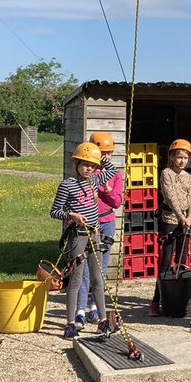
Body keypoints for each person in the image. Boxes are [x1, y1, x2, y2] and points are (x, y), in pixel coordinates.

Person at [49, 142, 116, 340]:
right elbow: (54, 211)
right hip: (77, 235)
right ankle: (70, 323)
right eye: (85, 164)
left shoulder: (94, 180)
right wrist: (72, 215)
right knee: (76, 279)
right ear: (76, 163)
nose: (89, 169)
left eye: (93, 166)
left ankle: (103, 321)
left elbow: (112, 170)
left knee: (97, 279)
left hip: (94, 234)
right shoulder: (67, 185)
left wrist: (98, 155)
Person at [76, 131, 123, 326]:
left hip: (107, 221)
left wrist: (107, 189)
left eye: (109, 153)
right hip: (89, 223)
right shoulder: (87, 173)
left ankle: (95, 306)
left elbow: (117, 202)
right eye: (103, 153)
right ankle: (80, 309)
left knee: (101, 268)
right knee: (85, 268)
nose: (107, 157)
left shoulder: (115, 175)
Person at [155, 138, 191, 316]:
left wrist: (190, 218)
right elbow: (170, 197)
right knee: (166, 260)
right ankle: (158, 299)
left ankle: (179, 297)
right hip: (171, 219)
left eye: (185, 158)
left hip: (185, 220)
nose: (182, 161)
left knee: (182, 260)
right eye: (179, 157)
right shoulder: (166, 173)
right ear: (172, 157)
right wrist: (181, 217)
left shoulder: (188, 177)